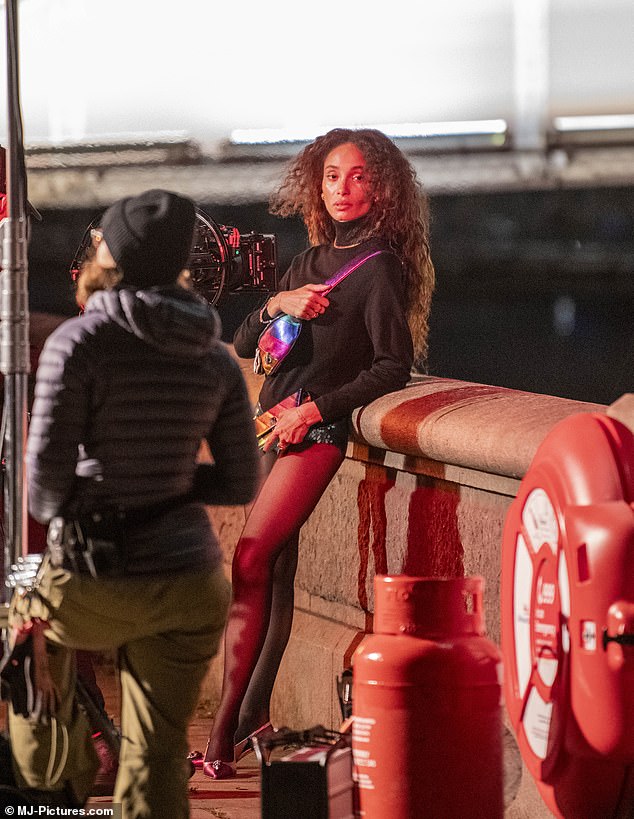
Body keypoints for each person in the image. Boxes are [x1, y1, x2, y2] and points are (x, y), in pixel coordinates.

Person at [5, 189, 260, 815]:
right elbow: (238, 483)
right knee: (158, 755)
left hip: (90, 577)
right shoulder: (215, 357)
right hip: (190, 583)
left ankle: (53, 768)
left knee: (19, 614)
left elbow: (42, 495)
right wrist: (167, 488)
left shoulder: (79, 343)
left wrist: (106, 488)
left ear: (110, 251)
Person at [197, 128, 435, 778]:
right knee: (272, 578)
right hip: (274, 426)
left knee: (248, 558)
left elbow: (392, 367)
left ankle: (219, 740)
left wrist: (315, 410)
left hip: (316, 434)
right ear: (317, 184)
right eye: (332, 176)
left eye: (357, 177)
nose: (343, 189)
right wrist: (280, 299)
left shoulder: (380, 267)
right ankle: (253, 719)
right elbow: (250, 344)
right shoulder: (307, 261)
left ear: (381, 187)